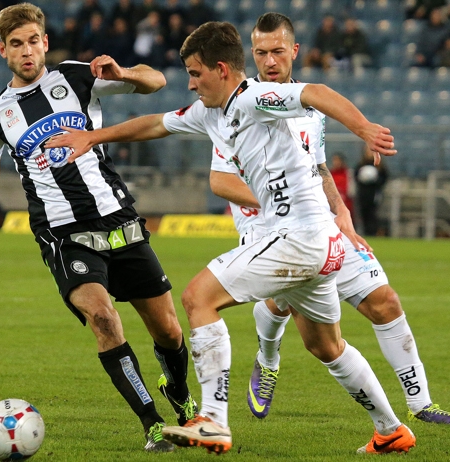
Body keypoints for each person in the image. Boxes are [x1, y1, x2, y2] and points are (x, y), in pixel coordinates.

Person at [45, 20, 416, 455]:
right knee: (326, 344)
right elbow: (154, 124)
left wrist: (363, 128)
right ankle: (390, 429)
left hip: (301, 236)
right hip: (318, 243)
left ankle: (214, 422)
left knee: (198, 298)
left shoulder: (257, 97)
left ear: (222, 69)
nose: (189, 83)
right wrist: (93, 136)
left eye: (196, 73)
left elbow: (315, 93)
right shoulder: (210, 110)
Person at [0, 3, 197, 452]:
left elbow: (157, 82)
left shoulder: (76, 76)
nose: (27, 52)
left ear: (44, 42)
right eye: (16, 44)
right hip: (62, 233)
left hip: (119, 219)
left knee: (168, 330)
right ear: (2, 51)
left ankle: (181, 396)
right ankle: (152, 424)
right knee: (104, 318)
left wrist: (124, 73)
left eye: (33, 41)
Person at [208, 12, 450, 432]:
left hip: (321, 223)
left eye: (277, 51)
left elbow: (317, 169)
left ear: (294, 51)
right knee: (315, 338)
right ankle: (268, 359)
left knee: (386, 302)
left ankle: (421, 403)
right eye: (261, 52)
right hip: (267, 229)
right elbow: (220, 180)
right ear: (252, 54)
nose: (269, 61)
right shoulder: (238, 106)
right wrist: (275, 201)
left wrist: (342, 214)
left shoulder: (309, 108)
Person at [355, 145, 388, 236]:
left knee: (373, 214)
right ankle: (365, 232)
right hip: (362, 194)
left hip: (373, 194)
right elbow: (356, 177)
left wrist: (376, 181)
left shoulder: (379, 166)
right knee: (363, 214)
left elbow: (384, 178)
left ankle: (374, 232)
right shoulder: (361, 165)